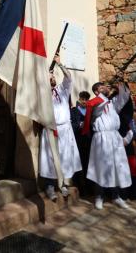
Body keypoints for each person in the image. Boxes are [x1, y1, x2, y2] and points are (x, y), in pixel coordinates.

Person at [84, 77, 133, 210]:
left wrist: (121, 83)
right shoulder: (94, 103)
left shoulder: (112, 103)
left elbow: (124, 96)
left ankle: (116, 196)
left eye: (105, 86)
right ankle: (99, 196)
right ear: (96, 92)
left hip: (114, 137)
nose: (105, 88)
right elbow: (99, 106)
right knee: (101, 167)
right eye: (101, 87)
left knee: (116, 166)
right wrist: (105, 92)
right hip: (101, 138)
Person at [39, 54, 82, 200]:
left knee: (64, 157)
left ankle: (62, 184)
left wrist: (59, 64)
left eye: (52, 77)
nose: (51, 78)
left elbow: (69, 77)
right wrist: (45, 78)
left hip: (65, 129)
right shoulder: (43, 94)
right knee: (51, 158)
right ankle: (50, 187)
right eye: (49, 77)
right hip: (51, 129)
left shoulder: (62, 91)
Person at [70, 91, 92, 196]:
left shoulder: (90, 111)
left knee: (88, 164)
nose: (84, 101)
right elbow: (71, 125)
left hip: (88, 141)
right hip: (78, 141)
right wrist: (79, 125)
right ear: (79, 99)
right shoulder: (74, 111)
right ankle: (79, 188)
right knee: (78, 164)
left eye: (86, 99)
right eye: (82, 99)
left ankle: (89, 187)